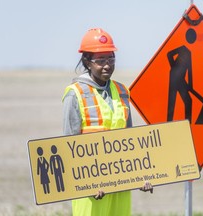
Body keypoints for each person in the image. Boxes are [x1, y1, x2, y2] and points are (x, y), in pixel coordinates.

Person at [62, 28, 153, 216]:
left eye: (111, 59)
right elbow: (68, 147)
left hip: (121, 184)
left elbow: (131, 141)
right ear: (87, 61)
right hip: (91, 192)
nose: (107, 66)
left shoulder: (122, 91)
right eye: (100, 60)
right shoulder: (75, 93)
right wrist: (87, 184)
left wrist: (141, 175)